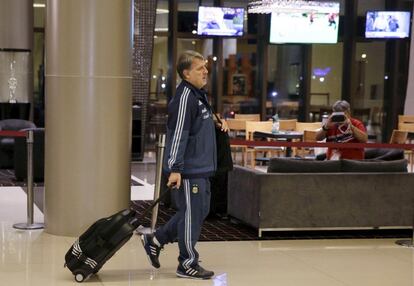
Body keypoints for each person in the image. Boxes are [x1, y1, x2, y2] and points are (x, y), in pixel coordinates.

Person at [141, 50, 228, 280]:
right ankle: (187, 263)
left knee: (197, 211)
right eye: (200, 68)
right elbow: (178, 134)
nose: (206, 71)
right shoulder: (185, 99)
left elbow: (197, 126)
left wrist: (217, 124)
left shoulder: (198, 95)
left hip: (201, 167)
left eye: (206, 67)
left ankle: (156, 239)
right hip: (189, 169)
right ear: (186, 73)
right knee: (192, 214)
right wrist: (175, 168)